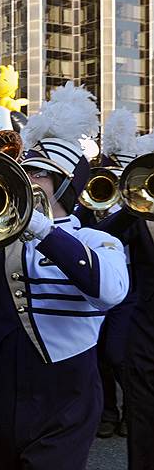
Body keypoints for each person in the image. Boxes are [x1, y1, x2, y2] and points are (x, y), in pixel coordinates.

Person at [0, 82, 129, 469]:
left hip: (64, 391)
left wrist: (43, 230)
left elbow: (110, 291)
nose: (27, 178)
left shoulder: (98, 240)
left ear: (65, 185)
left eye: (39, 173)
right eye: (25, 170)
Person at [94, 129, 154, 468]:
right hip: (145, 333)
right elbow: (99, 237)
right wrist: (134, 205)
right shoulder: (141, 215)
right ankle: (114, 412)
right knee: (144, 439)